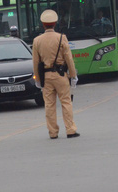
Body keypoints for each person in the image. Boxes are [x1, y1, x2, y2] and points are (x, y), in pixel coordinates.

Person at [32, 9, 79, 139]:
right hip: (61, 75)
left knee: (49, 105)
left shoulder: (37, 41)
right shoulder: (61, 38)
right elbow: (68, 58)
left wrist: (37, 79)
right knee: (66, 102)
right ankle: (70, 130)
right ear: (55, 23)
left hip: (46, 77)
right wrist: (73, 75)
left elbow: (36, 62)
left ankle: (53, 132)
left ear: (43, 24)